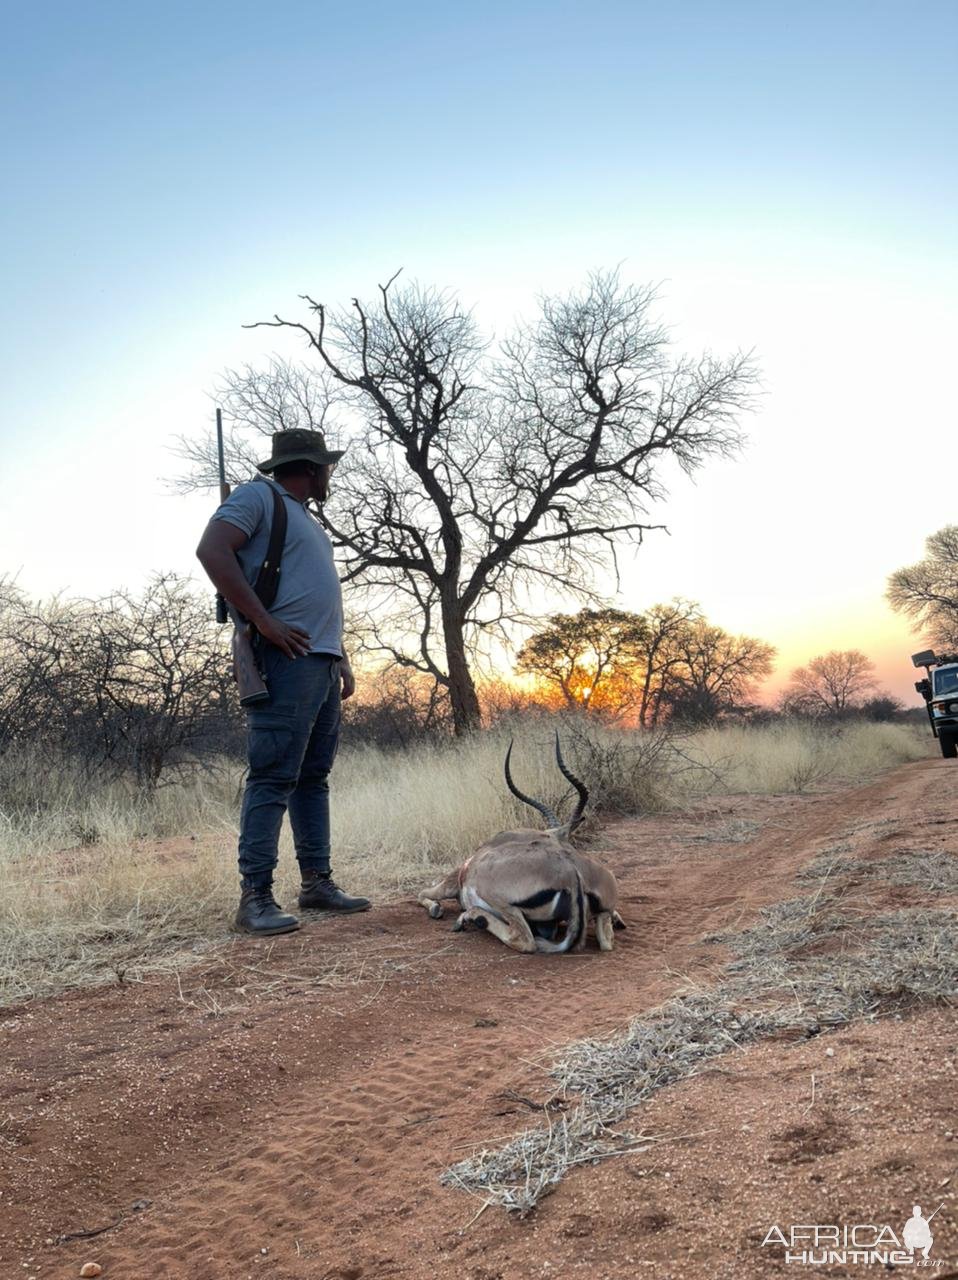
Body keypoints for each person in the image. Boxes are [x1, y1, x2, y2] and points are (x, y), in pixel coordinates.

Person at [196, 427, 370, 935]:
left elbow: (315, 597)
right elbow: (212, 550)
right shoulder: (258, 496)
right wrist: (265, 624)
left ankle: (317, 883)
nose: (329, 474)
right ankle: (255, 898)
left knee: (312, 778)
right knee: (273, 777)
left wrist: (338, 654)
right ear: (312, 468)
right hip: (285, 661)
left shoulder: (306, 519)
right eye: (326, 467)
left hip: (319, 660)